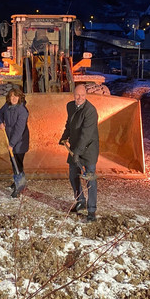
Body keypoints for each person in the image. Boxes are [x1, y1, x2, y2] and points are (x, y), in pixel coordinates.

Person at [59, 84, 99, 222]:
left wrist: (77, 153)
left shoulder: (90, 111)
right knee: (73, 175)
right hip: (76, 146)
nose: (79, 98)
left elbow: (85, 135)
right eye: (77, 95)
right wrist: (65, 136)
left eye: (82, 95)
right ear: (73, 95)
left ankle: (92, 211)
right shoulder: (70, 106)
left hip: (89, 149)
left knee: (90, 179)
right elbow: (69, 124)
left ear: (86, 95)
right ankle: (80, 201)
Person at [0, 87, 29, 198]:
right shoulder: (7, 106)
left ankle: (19, 186)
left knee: (17, 164)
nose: (14, 98)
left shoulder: (22, 111)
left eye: (16, 96)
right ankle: (17, 182)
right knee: (13, 161)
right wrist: (0, 122)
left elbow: (19, 130)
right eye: (11, 96)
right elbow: (0, 113)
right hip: (10, 138)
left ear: (20, 97)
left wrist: (11, 144)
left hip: (20, 141)